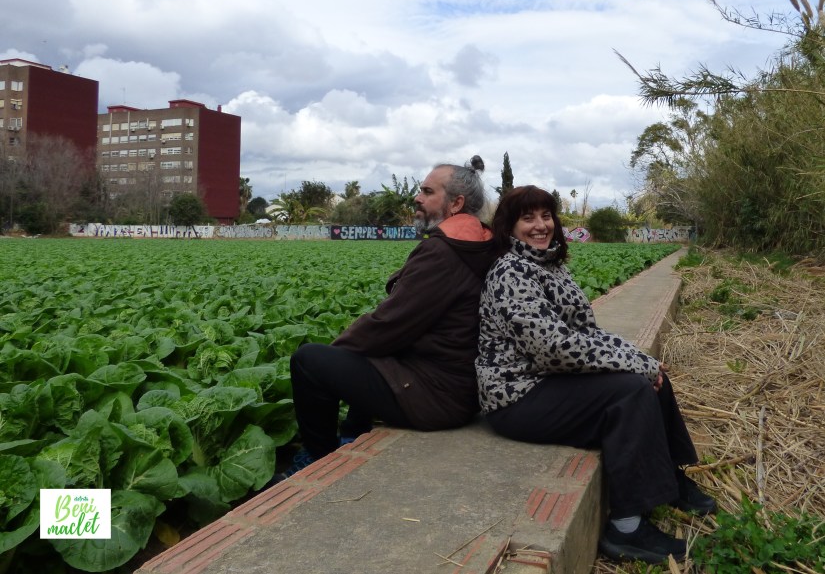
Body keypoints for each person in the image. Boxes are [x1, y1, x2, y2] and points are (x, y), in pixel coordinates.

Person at [475, 185, 716, 564]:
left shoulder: (550, 265)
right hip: (517, 396)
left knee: (654, 379)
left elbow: (586, 333)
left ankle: (672, 479)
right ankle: (626, 528)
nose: (540, 225)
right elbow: (553, 348)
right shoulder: (510, 273)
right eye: (528, 218)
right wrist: (635, 365)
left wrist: (638, 358)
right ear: (509, 227)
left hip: (547, 380)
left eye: (546, 216)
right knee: (631, 391)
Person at [279, 156, 495, 479]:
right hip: (459, 387)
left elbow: (389, 325)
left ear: (456, 204)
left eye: (427, 192)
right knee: (373, 354)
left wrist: (334, 355)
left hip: (435, 396)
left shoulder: (443, 253)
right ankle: (352, 434)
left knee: (309, 361)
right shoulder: (479, 242)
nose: (417, 198)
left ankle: (318, 461)